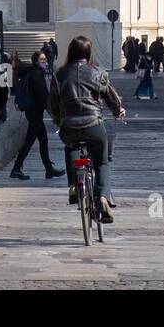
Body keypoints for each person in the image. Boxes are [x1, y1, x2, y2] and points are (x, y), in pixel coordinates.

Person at [49, 35, 126, 223]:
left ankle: (74, 185)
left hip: (69, 125)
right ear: (89, 53)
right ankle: (102, 197)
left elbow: (52, 105)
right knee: (102, 162)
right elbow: (111, 97)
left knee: (71, 147)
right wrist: (118, 111)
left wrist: (59, 120)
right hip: (93, 124)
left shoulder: (59, 75)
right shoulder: (98, 72)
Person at [9, 50, 66, 181]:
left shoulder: (34, 72)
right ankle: (17, 168)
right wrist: (53, 114)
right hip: (34, 113)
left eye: (45, 59)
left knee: (43, 141)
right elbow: (43, 97)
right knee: (29, 142)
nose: (44, 62)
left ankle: (48, 169)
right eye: (41, 60)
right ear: (35, 61)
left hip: (34, 113)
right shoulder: (36, 75)